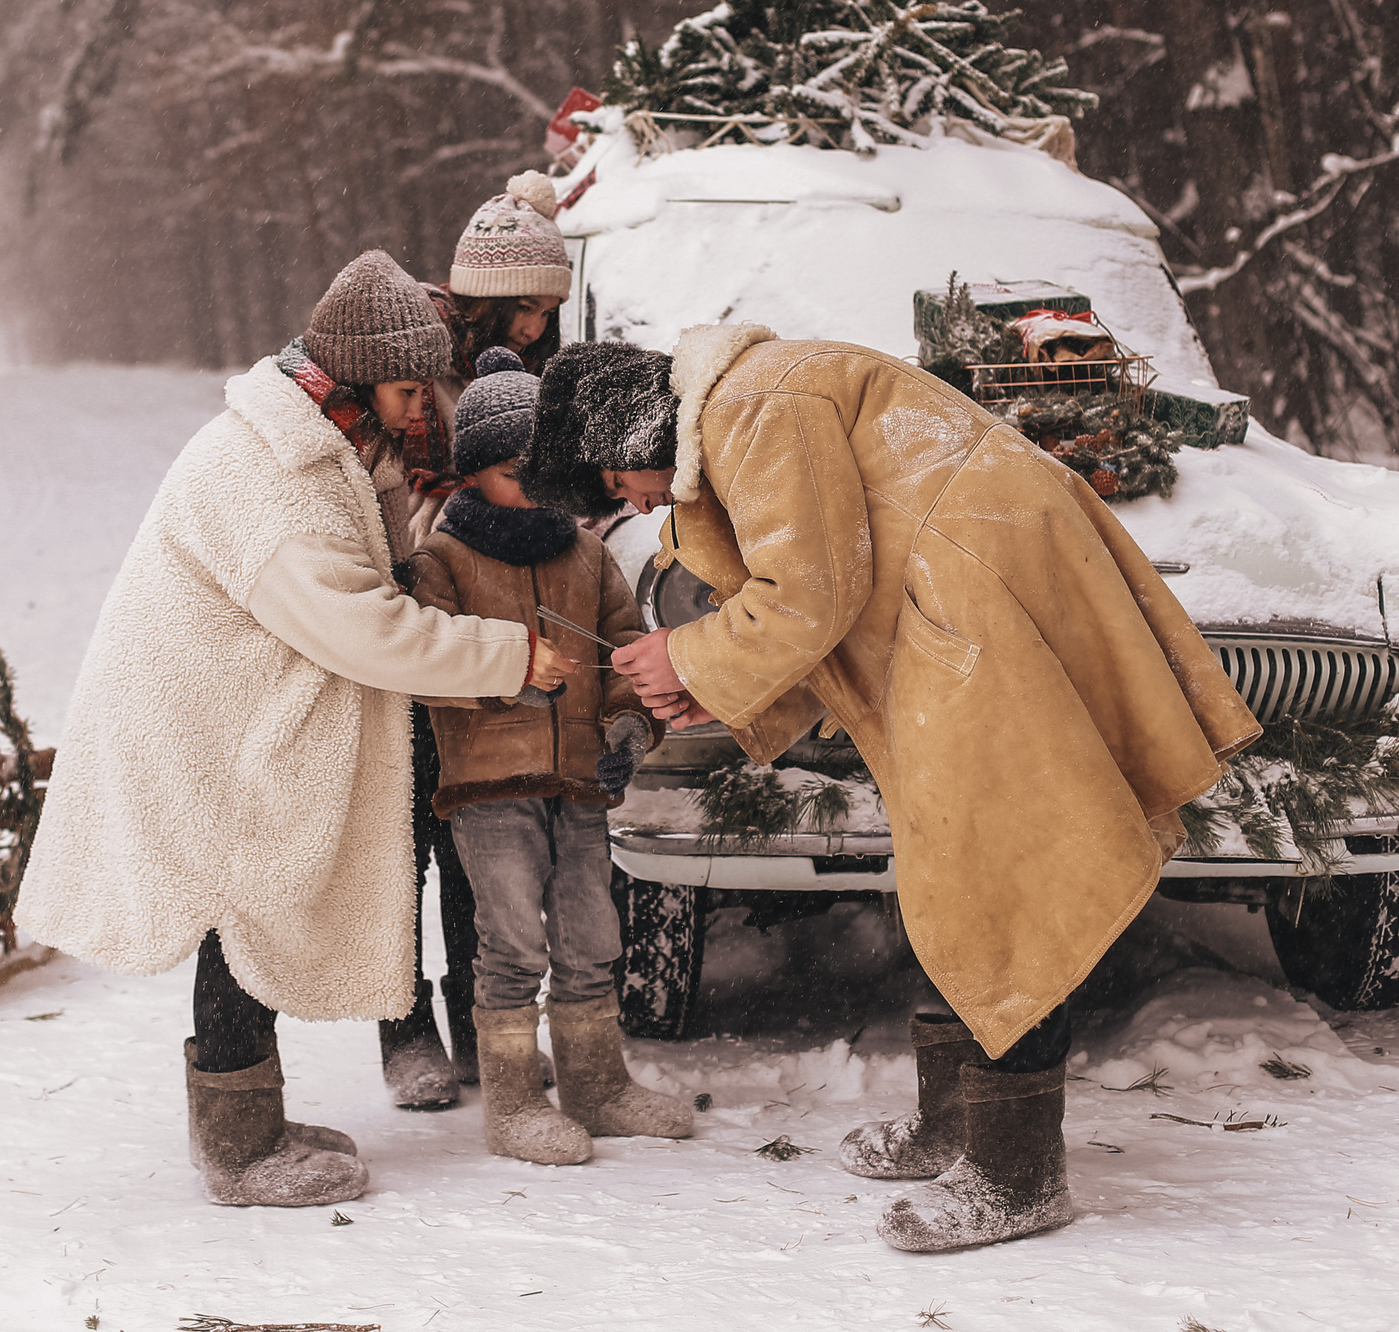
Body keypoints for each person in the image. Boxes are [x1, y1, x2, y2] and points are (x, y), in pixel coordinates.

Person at [520, 324, 1260, 1252]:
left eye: (615, 486)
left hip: (980, 622)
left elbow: (810, 594)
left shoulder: (753, 408)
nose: (633, 504)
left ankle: (1017, 1172)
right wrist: (712, 685)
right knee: (950, 877)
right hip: (958, 614)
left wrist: (688, 654)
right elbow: (833, 586)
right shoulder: (752, 399)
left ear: (628, 435)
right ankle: (958, 1121)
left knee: (997, 887)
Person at [15, 251, 576, 1209]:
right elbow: (363, 624)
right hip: (207, 722)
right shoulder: (273, 476)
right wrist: (507, 654)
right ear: (358, 375)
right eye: (408, 389)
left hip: (241, 708)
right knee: (245, 903)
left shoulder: (329, 436)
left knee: (256, 900)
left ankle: (247, 1120)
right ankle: (239, 1146)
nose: (421, 408)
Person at [404, 350, 692, 1165]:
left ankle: (596, 1085)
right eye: (509, 473)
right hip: (489, 789)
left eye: (540, 472)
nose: (529, 489)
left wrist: (630, 724)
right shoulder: (442, 563)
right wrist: (510, 684)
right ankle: (513, 1101)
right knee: (510, 945)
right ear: (471, 473)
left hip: (581, 783)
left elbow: (627, 648)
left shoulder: (587, 555)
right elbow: (431, 666)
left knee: (592, 935)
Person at [379, 169, 578, 1109]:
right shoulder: (416, 366)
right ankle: (403, 1025)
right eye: (525, 308)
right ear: (486, 298)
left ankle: (480, 1019)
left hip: (501, 625)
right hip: (416, 618)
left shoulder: (535, 379)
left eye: (548, 311)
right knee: (405, 835)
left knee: (481, 826)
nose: (537, 327)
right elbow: (394, 495)